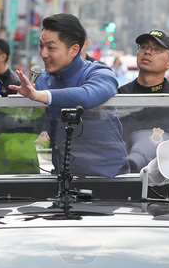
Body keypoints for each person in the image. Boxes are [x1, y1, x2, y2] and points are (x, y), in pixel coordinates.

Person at [10, 13, 128, 178]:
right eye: (41, 46)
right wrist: (27, 111)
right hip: (63, 175)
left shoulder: (100, 73)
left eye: (51, 48)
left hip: (109, 177)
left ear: (74, 50)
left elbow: (86, 97)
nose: (43, 54)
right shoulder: (42, 79)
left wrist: (42, 96)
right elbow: (23, 131)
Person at [117, 30, 169, 170]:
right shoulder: (118, 97)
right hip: (119, 178)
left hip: (163, 183)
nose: (147, 52)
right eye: (143, 47)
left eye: (157, 49)